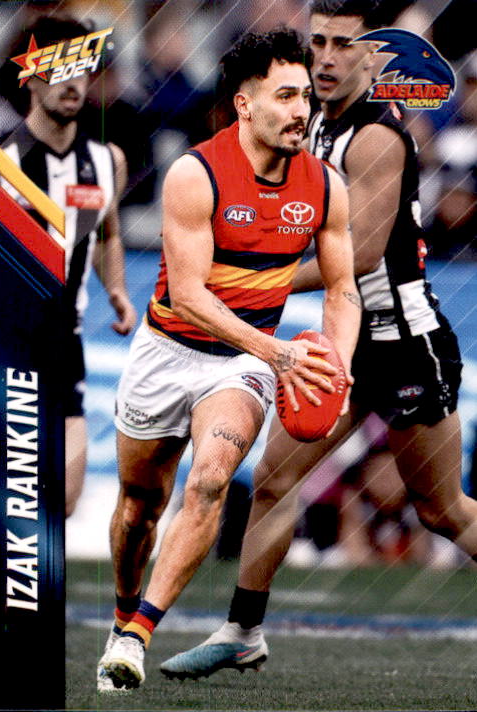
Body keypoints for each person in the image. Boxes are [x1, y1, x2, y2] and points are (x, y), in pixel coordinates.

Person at [160, 0, 477, 681]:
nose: (327, 58)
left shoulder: (376, 136)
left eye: (344, 44)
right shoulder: (314, 124)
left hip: (405, 343)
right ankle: (243, 631)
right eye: (320, 42)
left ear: (375, 55)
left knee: (443, 511)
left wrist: (251, 277)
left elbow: (360, 255)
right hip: (346, 340)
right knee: (274, 480)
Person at [97, 27, 361, 692]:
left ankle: (135, 636)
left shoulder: (326, 186)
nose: (301, 109)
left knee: (212, 479)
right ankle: (123, 610)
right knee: (138, 508)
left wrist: (338, 365)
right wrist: (276, 351)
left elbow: (342, 290)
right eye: (285, 96)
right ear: (245, 105)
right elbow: (188, 297)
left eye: (305, 96)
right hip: (168, 350)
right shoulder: (196, 174)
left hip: (237, 366)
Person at [0, 16, 137, 517]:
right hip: (7, 345)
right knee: (16, 500)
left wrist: (116, 288)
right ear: (30, 78)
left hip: (64, 343)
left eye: (82, 69)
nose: (73, 83)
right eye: (58, 70)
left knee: (64, 497)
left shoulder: (106, 161)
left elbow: (107, 234)